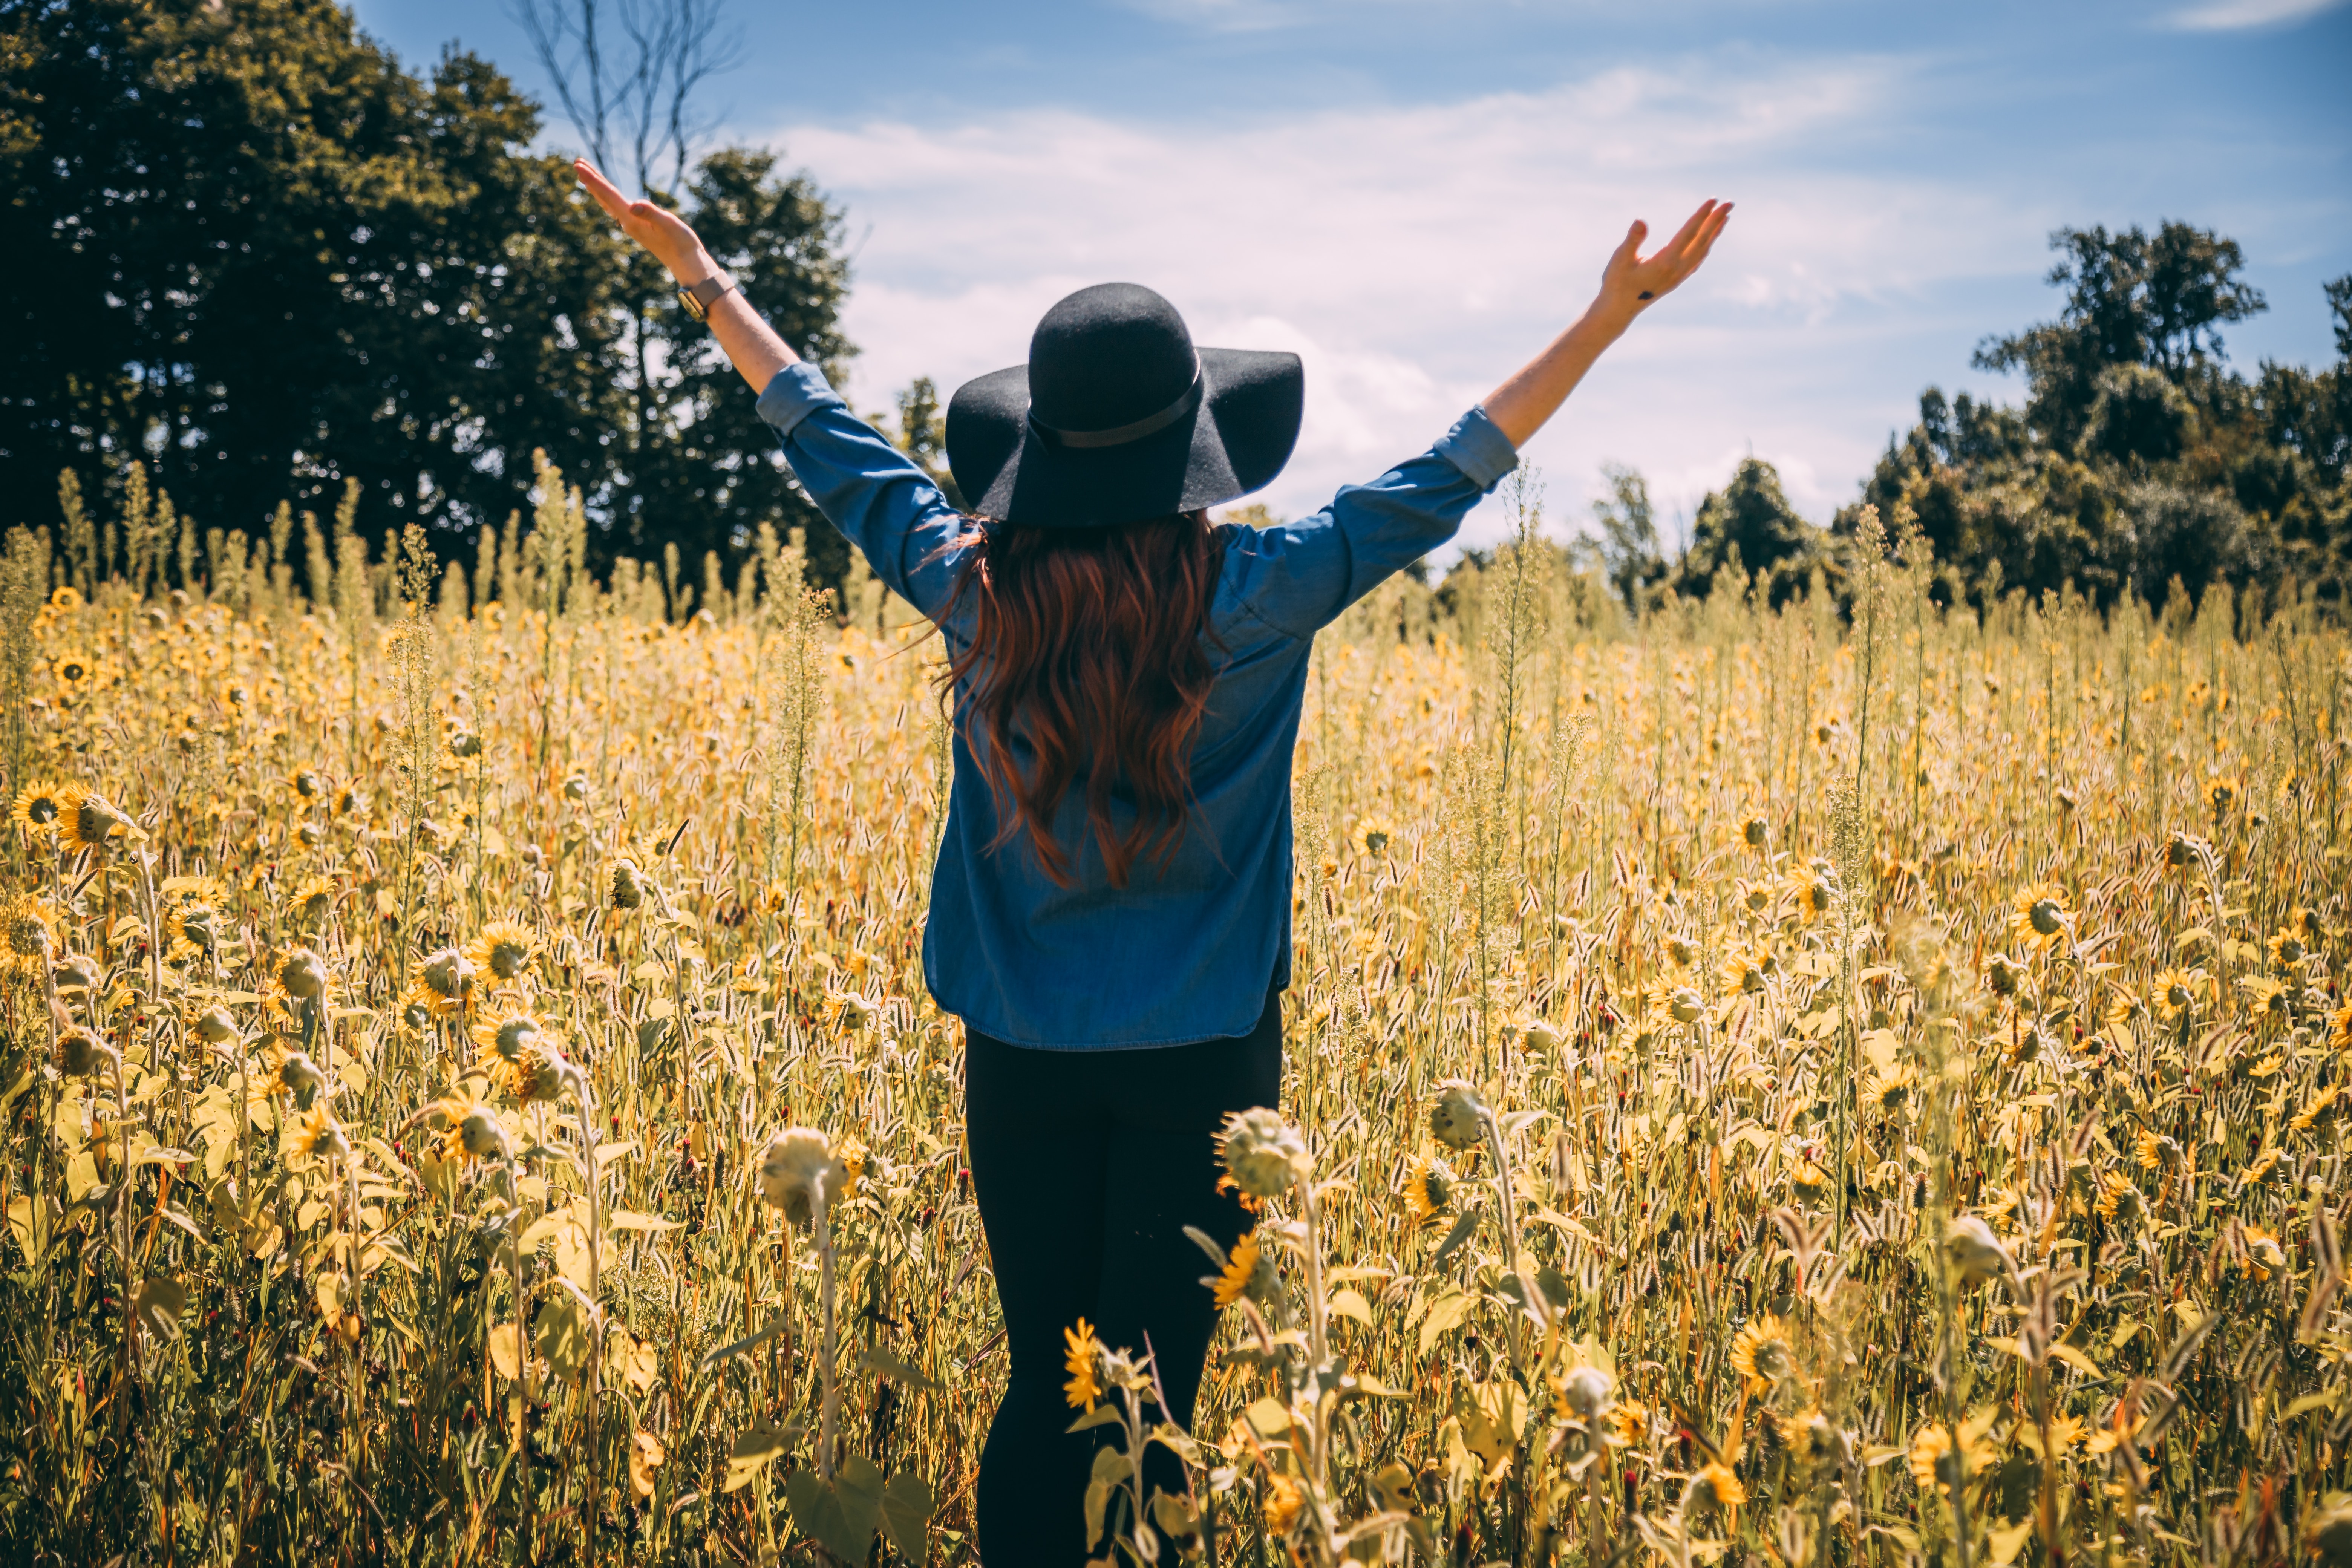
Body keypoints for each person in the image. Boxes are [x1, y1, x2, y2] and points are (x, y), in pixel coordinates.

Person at [577, 156, 1727, 1563]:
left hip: (1022, 1064)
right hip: (1210, 1072)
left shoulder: (970, 589)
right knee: (1149, 1403)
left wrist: (704, 276)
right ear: (1198, 452)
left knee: (1043, 1390)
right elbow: (1459, 464)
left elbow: (829, 440)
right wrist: (1616, 311)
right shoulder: (1263, 590)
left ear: (1037, 449)